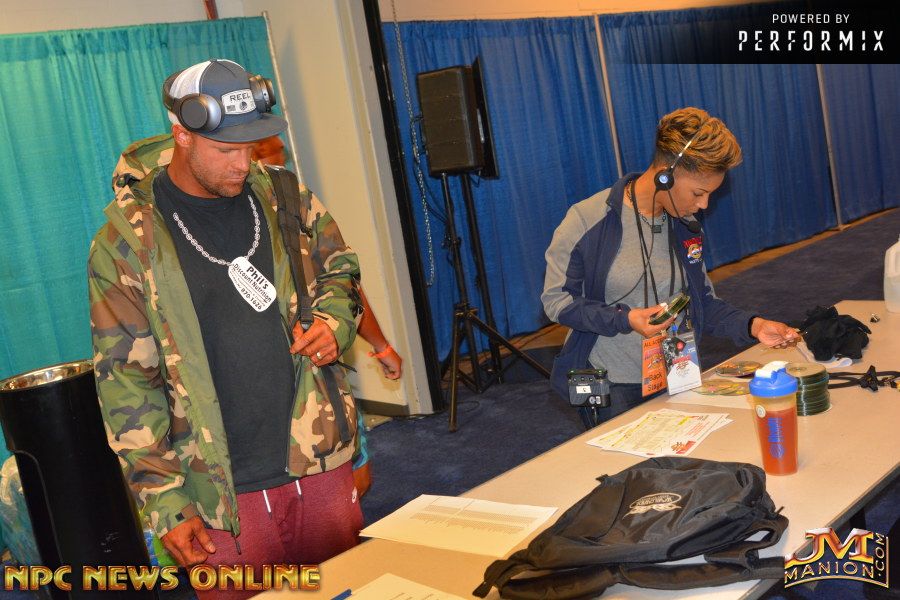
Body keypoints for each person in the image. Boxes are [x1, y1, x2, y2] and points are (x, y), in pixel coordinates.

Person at [88, 59, 363, 594]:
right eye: (226, 150)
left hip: (318, 457)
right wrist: (166, 502)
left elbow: (340, 267)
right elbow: (125, 383)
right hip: (216, 489)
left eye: (251, 146)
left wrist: (334, 323)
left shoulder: (284, 195)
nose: (244, 163)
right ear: (182, 136)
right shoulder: (125, 242)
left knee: (344, 587)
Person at [542, 107, 799, 428]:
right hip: (609, 382)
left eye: (710, 195)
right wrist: (625, 319)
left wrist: (754, 326)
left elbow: (703, 303)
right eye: (699, 193)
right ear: (665, 175)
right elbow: (557, 302)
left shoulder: (685, 227)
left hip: (676, 372)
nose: (703, 205)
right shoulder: (587, 219)